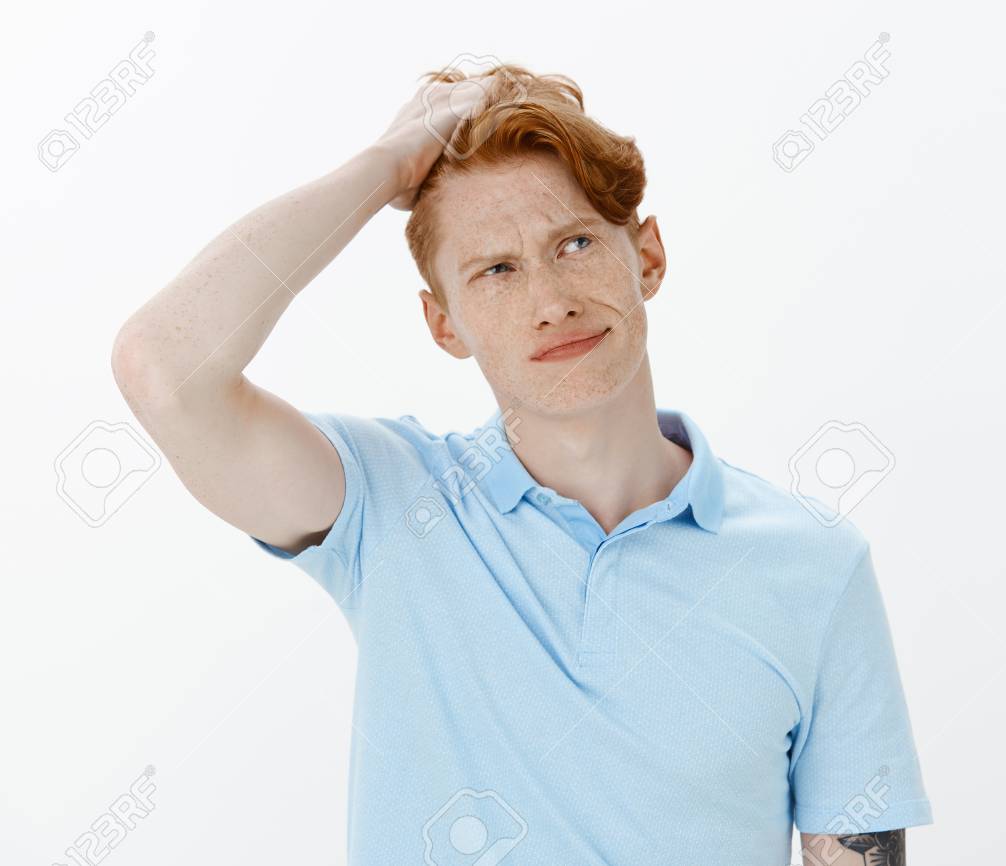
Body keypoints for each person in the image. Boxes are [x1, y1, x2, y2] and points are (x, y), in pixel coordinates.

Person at [111, 62, 932, 866]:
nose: (550, 300)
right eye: (495, 270)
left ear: (646, 257)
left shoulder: (815, 566)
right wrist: (388, 164)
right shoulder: (387, 506)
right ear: (444, 323)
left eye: (574, 243)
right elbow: (162, 369)